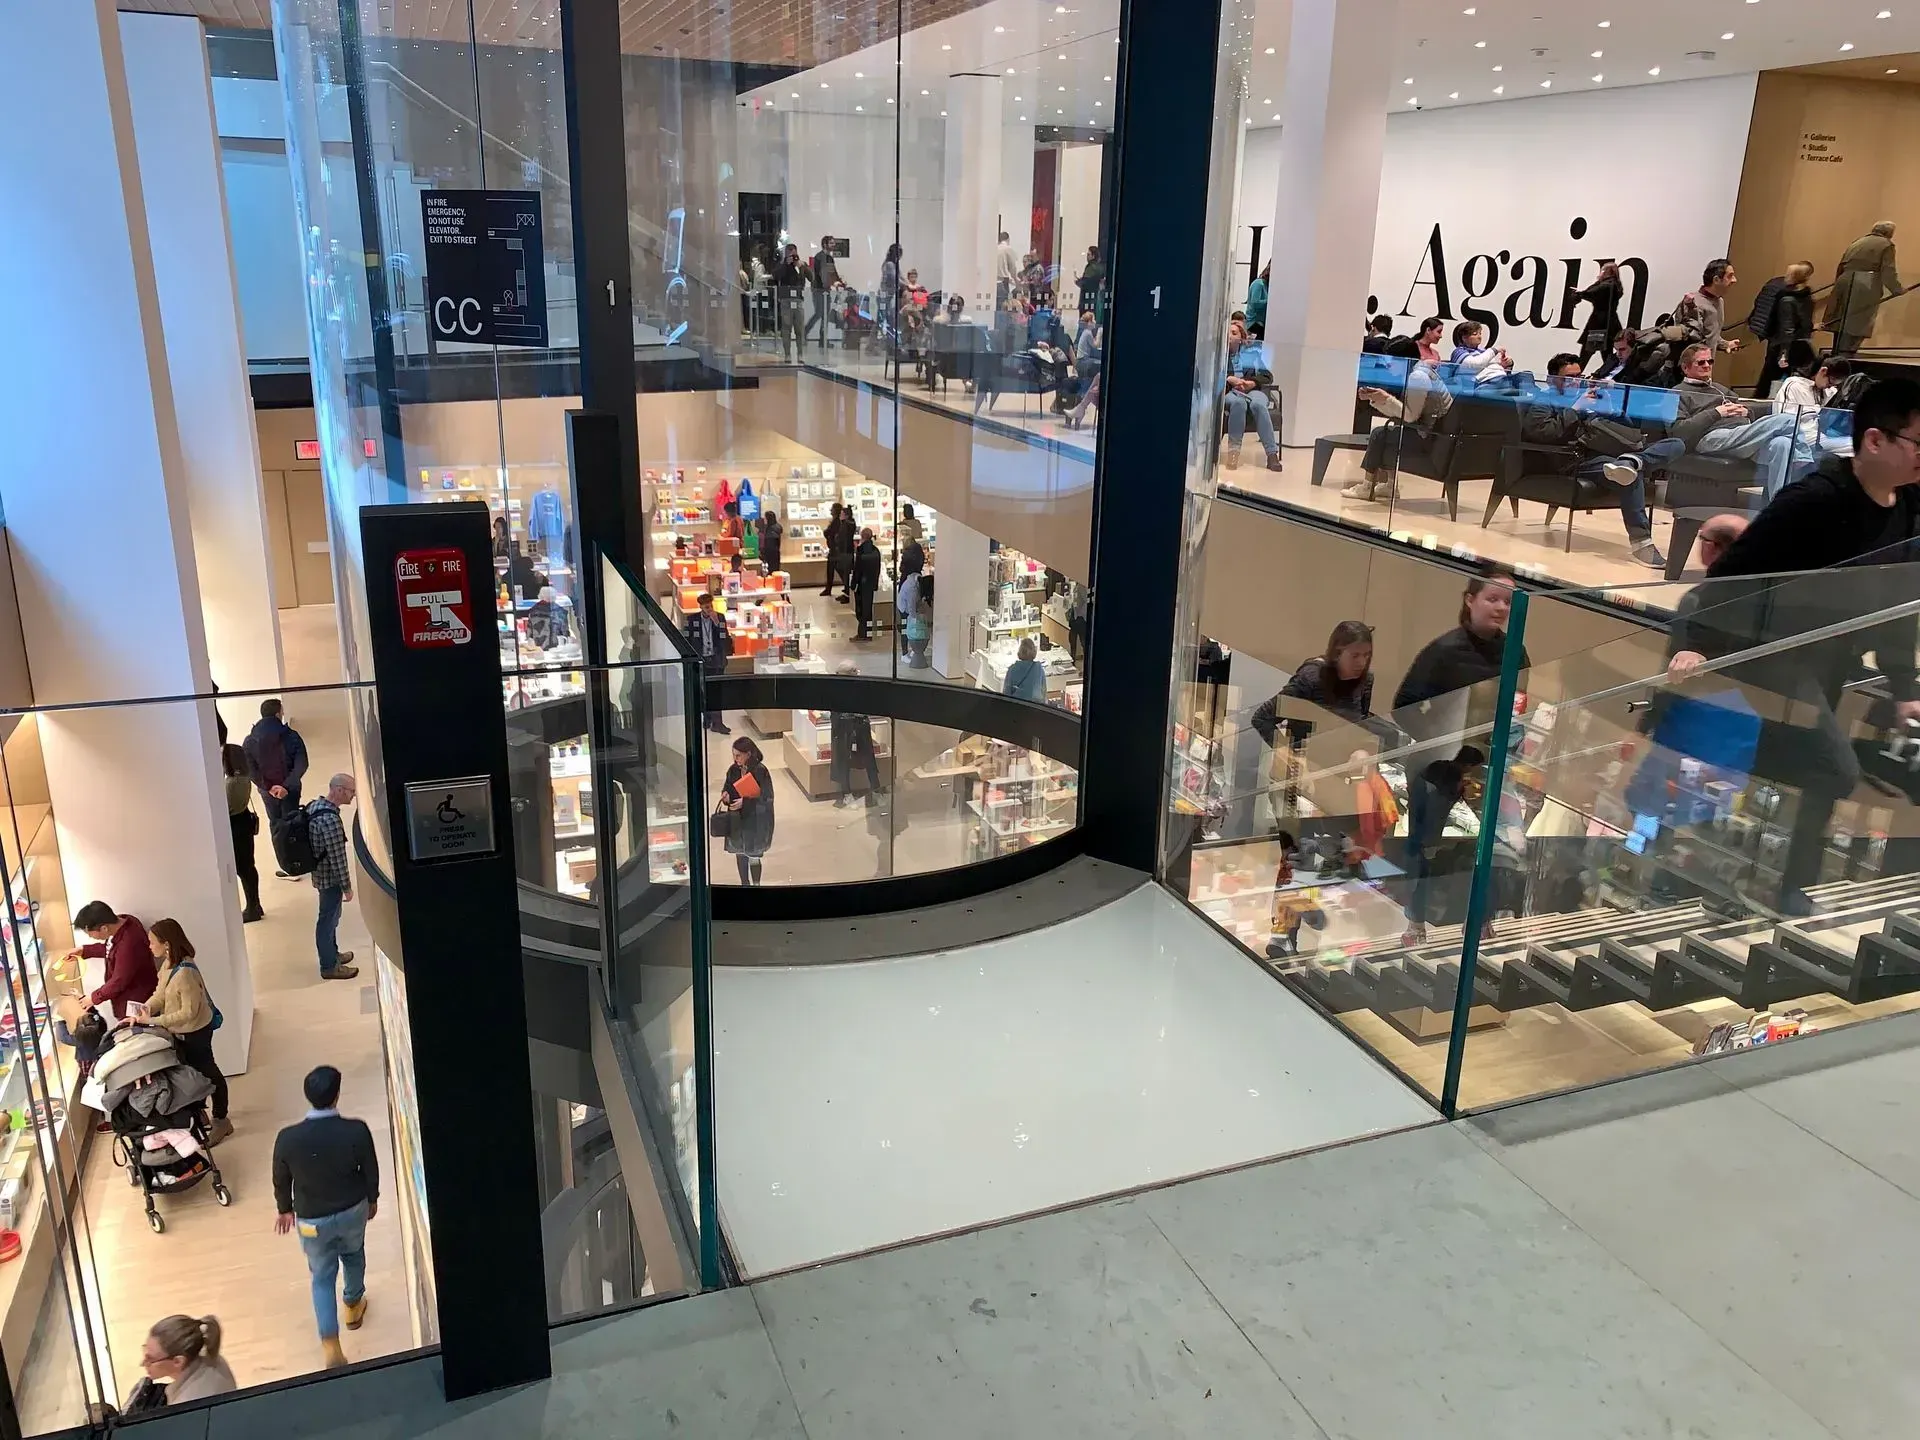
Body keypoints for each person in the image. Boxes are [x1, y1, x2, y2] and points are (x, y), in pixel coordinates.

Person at [1668, 378, 1920, 910]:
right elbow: (1733, 572)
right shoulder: (1814, 500)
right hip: (1770, 652)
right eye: (1919, 444)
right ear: (1876, 440)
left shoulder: (1910, 507)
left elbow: (1899, 603)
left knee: (1820, 775)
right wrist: (1694, 645)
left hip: (1831, 659)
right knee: (1832, 768)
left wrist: (1903, 686)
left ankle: (1785, 884)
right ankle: (1748, 868)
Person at [1526, 353, 1686, 567]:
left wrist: (1612, 409)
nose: (1576, 381)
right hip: (1577, 459)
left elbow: (1628, 429)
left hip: (1615, 451)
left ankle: (1632, 461)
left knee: (1677, 444)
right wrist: (1575, 410)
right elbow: (1543, 433)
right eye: (1569, 377)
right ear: (1552, 379)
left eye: (1579, 375)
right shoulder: (1543, 401)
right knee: (1629, 477)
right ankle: (1642, 544)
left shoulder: (1589, 396)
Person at [273, 1065, 379, 1370]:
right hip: (351, 1210)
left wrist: (284, 1209)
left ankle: (330, 1343)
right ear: (337, 1095)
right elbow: (370, 1169)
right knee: (354, 1254)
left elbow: (281, 1178)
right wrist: (372, 1200)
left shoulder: (287, 1138)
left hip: (310, 1222)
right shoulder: (356, 1130)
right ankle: (353, 1305)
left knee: (321, 1277)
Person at [1670, 343, 1810, 498]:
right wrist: (1716, 412)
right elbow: (1679, 431)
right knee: (1786, 420)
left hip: (1740, 436)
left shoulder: (1721, 389)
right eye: (1701, 362)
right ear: (1685, 367)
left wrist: (1746, 412)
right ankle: (1804, 457)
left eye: (1710, 361)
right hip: (1710, 438)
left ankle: (1778, 506)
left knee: (1783, 444)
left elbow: (1744, 409)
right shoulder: (1676, 393)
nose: (1707, 365)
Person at [134, 918, 230, 1144]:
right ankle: (202, 1113)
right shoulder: (168, 963)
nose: (149, 946)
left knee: (208, 1073)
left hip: (195, 1032)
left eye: (152, 942)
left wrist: (155, 1021)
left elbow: (189, 1012)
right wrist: (145, 1009)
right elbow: (160, 994)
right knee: (189, 1074)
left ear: (166, 943)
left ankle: (221, 1119)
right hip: (180, 1031)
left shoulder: (185, 973)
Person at [1393, 566, 1531, 717]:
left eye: (1508, 602)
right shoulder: (1443, 650)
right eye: (1492, 599)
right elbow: (1403, 708)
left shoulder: (1516, 652)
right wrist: (1435, 734)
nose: (1501, 608)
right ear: (1470, 600)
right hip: (1449, 737)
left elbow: (1518, 703)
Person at [1400, 746, 1487, 945]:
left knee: (1416, 883)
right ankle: (1416, 930)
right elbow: (1436, 814)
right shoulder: (1448, 786)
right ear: (1468, 765)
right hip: (1425, 841)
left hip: (1416, 836)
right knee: (1420, 885)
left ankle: (1414, 928)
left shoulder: (1436, 770)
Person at [1251, 620, 1376, 749]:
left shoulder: (1366, 679)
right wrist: (1287, 753)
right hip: (1305, 760)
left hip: (1343, 758)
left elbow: (1362, 722)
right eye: (1355, 656)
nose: (1362, 663)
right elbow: (1262, 718)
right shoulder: (1310, 678)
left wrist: (1363, 749)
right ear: (1337, 653)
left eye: (1367, 655)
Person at [1346, 358, 1455, 502]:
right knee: (1387, 433)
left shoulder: (1418, 377)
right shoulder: (1421, 373)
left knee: (1379, 434)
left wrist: (1385, 399)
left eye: (1391, 363)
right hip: (1436, 433)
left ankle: (1368, 486)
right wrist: (1380, 399)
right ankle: (1388, 486)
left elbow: (1410, 416)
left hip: (1431, 436)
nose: (1387, 366)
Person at [244, 698, 310, 864]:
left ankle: (284, 861)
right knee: (292, 823)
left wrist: (268, 787)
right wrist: (286, 786)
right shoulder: (291, 736)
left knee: (275, 824)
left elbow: (250, 769)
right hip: (290, 790)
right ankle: (297, 860)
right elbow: (302, 763)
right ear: (277, 714)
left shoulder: (250, 740)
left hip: (268, 793)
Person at [306, 773, 358, 982]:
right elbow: (337, 858)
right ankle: (328, 965)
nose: (353, 795)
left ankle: (333, 954)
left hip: (320, 874)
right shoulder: (330, 820)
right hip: (329, 879)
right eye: (351, 791)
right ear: (338, 790)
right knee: (328, 920)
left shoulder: (315, 807)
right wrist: (347, 886)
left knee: (330, 918)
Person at [69, 902, 157, 1022]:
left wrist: (94, 998)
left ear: (104, 928)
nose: (90, 936)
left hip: (135, 1002)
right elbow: (112, 950)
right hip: (129, 999)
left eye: (90, 933)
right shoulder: (122, 923)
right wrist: (84, 951)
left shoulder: (129, 943)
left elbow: (119, 980)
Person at [1827, 221, 1904, 354]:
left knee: (1840, 326)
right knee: (1856, 326)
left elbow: (1841, 266)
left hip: (1844, 282)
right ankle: (1846, 361)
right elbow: (1888, 271)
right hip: (1864, 286)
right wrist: (1897, 289)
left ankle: (1836, 359)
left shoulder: (1858, 242)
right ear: (1889, 233)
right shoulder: (1886, 245)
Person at [1748, 261, 1818, 396]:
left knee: (1767, 382)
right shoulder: (1807, 297)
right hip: (1800, 345)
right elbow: (1806, 323)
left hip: (1782, 346)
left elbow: (1787, 329)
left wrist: (1784, 353)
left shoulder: (1786, 299)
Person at [1222, 318, 1282, 472]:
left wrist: (1252, 382)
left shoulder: (1252, 355)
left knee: (1258, 404)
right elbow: (1211, 377)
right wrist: (1229, 379)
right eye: (1227, 332)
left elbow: (1268, 376)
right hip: (1232, 392)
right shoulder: (1219, 357)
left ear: (1240, 338)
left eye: (1233, 333)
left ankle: (1272, 454)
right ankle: (1233, 453)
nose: (1229, 335)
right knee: (1238, 404)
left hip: (1253, 390)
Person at [139, 1315, 234, 1406]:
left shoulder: (186, 1403)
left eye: (150, 1359)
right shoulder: (206, 1353)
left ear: (178, 1361)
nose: (142, 1363)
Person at [718, 737, 775, 886]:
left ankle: (756, 885)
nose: (735, 759)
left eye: (738, 755)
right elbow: (727, 787)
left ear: (748, 754)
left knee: (754, 854)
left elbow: (767, 797)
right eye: (733, 755)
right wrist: (726, 795)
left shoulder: (760, 770)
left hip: (755, 820)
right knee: (740, 852)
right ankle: (744, 884)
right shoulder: (733, 770)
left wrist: (746, 802)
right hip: (738, 819)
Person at [221, 743, 263, 923]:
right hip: (244, 823)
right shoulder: (244, 778)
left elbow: (225, 808)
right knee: (248, 868)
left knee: (242, 869)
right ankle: (255, 904)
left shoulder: (231, 783)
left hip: (235, 827)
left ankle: (252, 907)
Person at [1673, 259, 1743, 355]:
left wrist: (1726, 344)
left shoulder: (1719, 301)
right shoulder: (1694, 303)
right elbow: (1690, 339)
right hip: (1689, 366)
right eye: (1730, 276)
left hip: (1706, 364)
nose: (1734, 280)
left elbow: (1710, 335)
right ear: (1716, 280)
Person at [685, 592, 732, 733]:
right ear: (701, 607)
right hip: (701, 660)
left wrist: (717, 624)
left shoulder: (720, 618)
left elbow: (725, 638)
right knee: (703, 690)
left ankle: (718, 723)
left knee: (716, 691)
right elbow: (687, 639)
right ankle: (707, 716)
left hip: (716, 660)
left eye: (710, 606)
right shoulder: (692, 620)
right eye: (706, 607)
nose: (709, 610)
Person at [1575, 261, 1626, 368]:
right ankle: (1607, 376)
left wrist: (1580, 293)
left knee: (1586, 354)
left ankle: (1574, 375)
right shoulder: (1615, 285)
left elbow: (1590, 292)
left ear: (1607, 272)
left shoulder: (1606, 286)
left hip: (1599, 324)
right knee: (1606, 355)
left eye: (1603, 270)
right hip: (1610, 323)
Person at [897, 544, 931, 667]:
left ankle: (909, 651)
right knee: (906, 627)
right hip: (904, 606)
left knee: (907, 627)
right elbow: (911, 606)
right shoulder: (912, 586)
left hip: (905, 602)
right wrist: (915, 617)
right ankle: (905, 653)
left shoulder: (913, 578)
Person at [773, 242, 807, 362]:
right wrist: (785, 265)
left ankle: (800, 354)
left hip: (798, 299)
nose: (792, 258)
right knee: (786, 327)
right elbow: (776, 276)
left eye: (794, 254)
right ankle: (787, 354)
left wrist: (801, 266)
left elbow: (811, 277)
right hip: (786, 299)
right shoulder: (781, 265)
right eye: (790, 255)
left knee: (799, 328)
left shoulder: (801, 264)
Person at [806, 235, 840, 348]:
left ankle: (822, 340)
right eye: (831, 243)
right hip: (819, 289)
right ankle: (805, 332)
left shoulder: (829, 258)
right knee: (820, 313)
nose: (833, 245)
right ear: (825, 244)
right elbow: (823, 274)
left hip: (825, 289)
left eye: (833, 243)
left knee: (824, 314)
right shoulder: (820, 257)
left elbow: (832, 272)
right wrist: (832, 282)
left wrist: (839, 281)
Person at [851, 526, 883, 641]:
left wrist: (853, 584)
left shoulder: (861, 551)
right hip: (870, 584)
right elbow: (878, 569)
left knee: (861, 609)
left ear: (862, 536)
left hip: (862, 584)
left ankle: (862, 634)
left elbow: (857, 569)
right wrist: (875, 583)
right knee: (868, 609)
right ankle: (868, 633)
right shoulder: (876, 551)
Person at [825, 502, 855, 603]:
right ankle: (844, 590)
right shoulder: (842, 523)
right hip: (840, 551)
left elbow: (838, 536)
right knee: (838, 570)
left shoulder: (845, 524)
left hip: (842, 552)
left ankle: (847, 591)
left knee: (843, 571)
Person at [1003, 637, 1048, 703]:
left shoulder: (1012, 669)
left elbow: (1006, 693)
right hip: (1035, 706)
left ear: (1020, 651)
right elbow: (1043, 692)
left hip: (1017, 706)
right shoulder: (1039, 669)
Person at [1076, 245, 1106, 317]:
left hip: (1086, 300)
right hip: (1095, 299)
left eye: (1089, 254)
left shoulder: (1090, 267)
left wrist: (1078, 282)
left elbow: (1085, 282)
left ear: (1093, 256)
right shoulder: (1101, 267)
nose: (1087, 256)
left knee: (1084, 321)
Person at [995, 230, 1019, 310]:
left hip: (993, 283)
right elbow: (1012, 267)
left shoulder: (994, 248)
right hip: (1003, 283)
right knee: (1003, 308)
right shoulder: (1007, 249)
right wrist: (1016, 280)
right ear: (1008, 239)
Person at [1246, 262, 1270, 332]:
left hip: (1261, 323)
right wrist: (1270, 301)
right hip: (1254, 323)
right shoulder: (1259, 283)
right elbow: (1255, 303)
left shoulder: (1266, 285)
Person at [758, 508, 783, 573]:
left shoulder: (770, 530)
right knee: (776, 570)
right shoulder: (778, 527)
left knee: (769, 571)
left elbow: (769, 545)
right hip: (776, 553)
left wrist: (763, 553)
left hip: (769, 555)